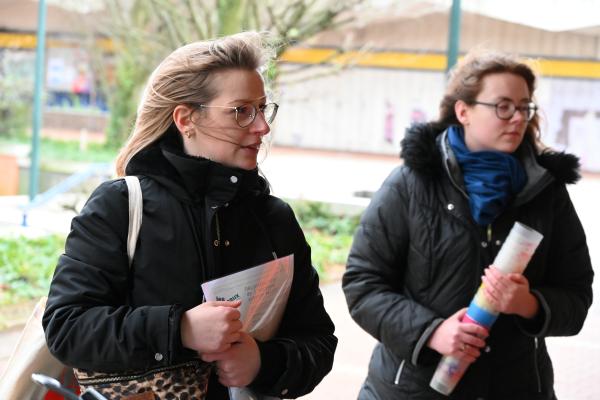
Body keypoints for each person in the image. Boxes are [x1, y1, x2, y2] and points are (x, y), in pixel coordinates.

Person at [43, 31, 337, 399]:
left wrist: (264, 361)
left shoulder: (274, 218)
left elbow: (318, 342)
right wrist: (179, 329)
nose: (262, 127)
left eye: (262, 109)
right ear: (185, 119)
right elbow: (66, 328)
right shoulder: (119, 206)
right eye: (242, 111)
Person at [343, 50, 594, 400]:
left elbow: (577, 295)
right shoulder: (411, 183)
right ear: (464, 111)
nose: (517, 118)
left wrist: (528, 303)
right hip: (414, 390)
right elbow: (363, 284)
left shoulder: (545, 193)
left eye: (524, 107)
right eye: (503, 106)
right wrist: (431, 332)